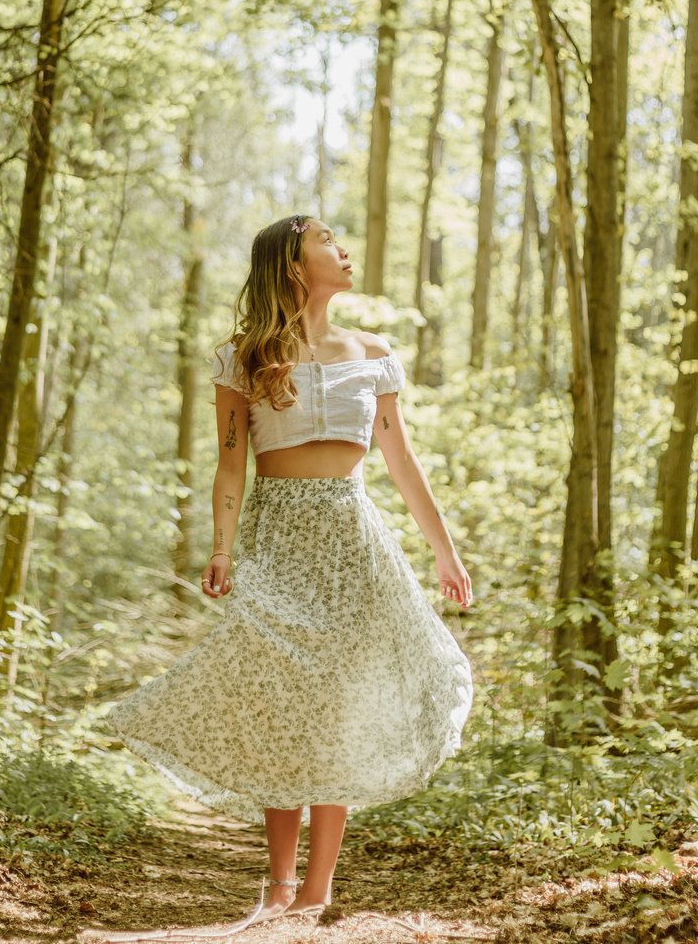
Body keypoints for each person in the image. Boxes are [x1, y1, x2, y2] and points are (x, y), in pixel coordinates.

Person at [102, 214, 474, 935]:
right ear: (294, 264)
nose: (344, 248)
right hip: (278, 537)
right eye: (328, 241)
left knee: (335, 711)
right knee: (283, 706)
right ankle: (276, 886)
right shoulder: (244, 356)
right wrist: (220, 549)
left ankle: (317, 891)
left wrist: (445, 551)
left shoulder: (373, 354)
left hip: (354, 539)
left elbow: (401, 463)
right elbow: (231, 461)